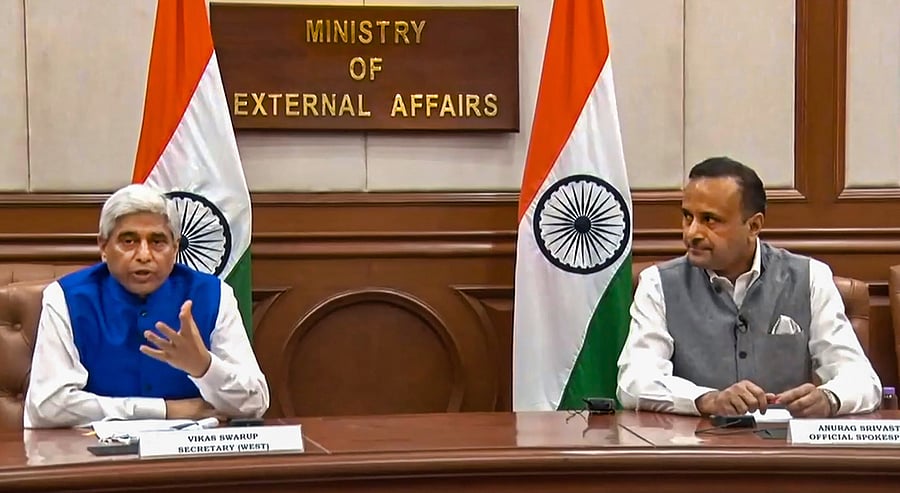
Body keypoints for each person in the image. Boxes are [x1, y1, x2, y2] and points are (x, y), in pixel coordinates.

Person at [616, 157, 881, 418]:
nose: (691, 233)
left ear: (754, 225)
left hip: (785, 452)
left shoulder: (810, 277)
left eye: (710, 220)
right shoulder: (657, 284)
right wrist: (707, 400)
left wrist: (828, 399)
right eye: (688, 217)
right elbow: (634, 381)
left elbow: (862, 381)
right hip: (695, 451)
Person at [24, 184, 269, 428]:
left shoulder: (213, 295)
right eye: (128, 241)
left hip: (190, 457)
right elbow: (47, 405)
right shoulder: (65, 298)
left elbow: (255, 403)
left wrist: (204, 367)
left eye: (157, 242)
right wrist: (164, 410)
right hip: (95, 457)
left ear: (174, 249)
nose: (144, 255)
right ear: (103, 247)